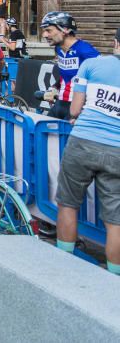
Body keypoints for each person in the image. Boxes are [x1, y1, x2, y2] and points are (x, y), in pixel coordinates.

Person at [53, 26, 120, 275]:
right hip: (117, 149)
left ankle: (64, 261)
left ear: (115, 43)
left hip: (84, 139)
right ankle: (114, 275)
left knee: (68, 203)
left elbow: (74, 110)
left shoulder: (93, 64)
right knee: (115, 218)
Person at [42, 11, 99, 119]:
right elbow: (67, 74)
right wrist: (55, 87)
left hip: (77, 108)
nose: (44, 35)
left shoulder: (86, 50)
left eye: (48, 30)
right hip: (60, 104)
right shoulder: (58, 48)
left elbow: (101, 79)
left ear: (66, 30)